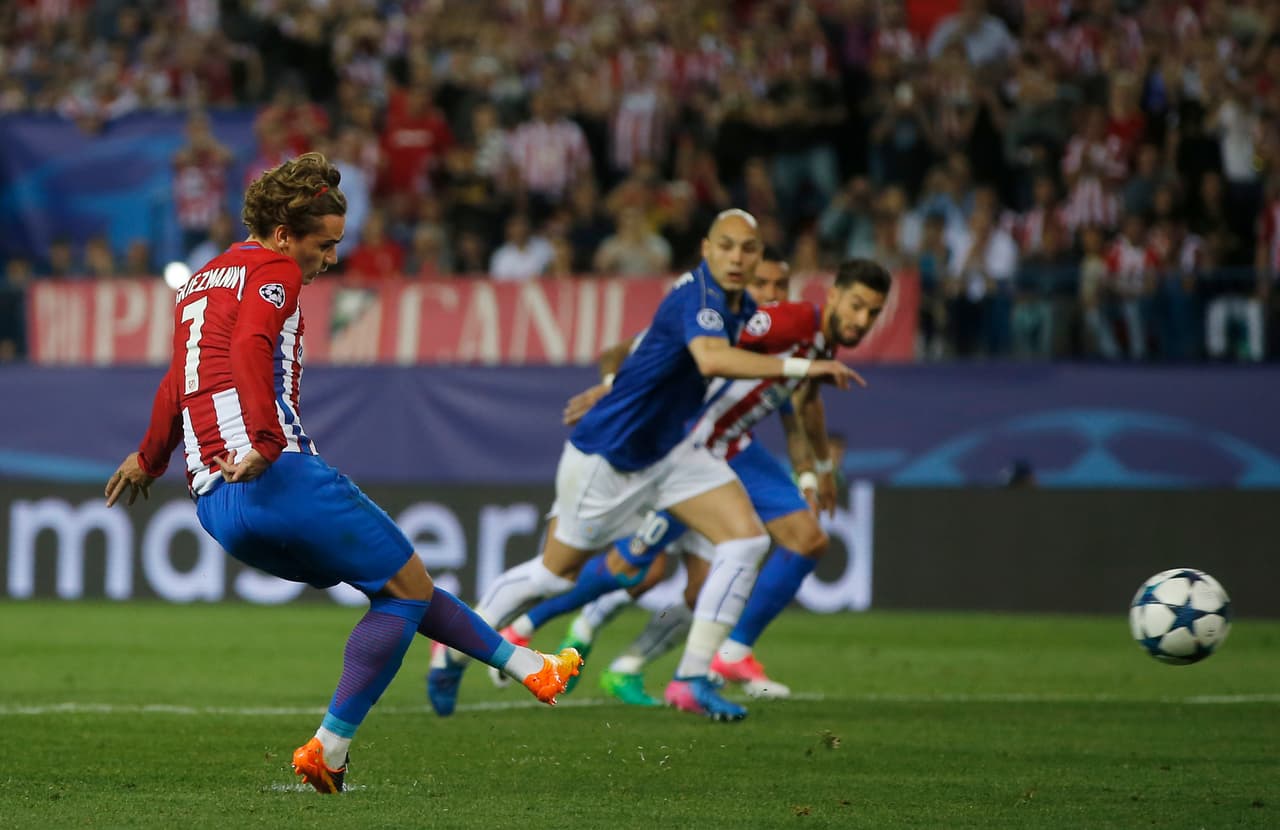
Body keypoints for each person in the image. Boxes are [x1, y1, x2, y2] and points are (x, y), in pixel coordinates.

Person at [103, 153, 581, 795]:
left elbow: (177, 378)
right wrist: (268, 443)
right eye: (323, 245)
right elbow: (249, 347)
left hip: (217, 505)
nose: (329, 259)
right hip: (274, 474)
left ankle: (531, 668)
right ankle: (329, 748)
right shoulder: (274, 269)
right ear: (282, 235)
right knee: (405, 592)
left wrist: (148, 456)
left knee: (398, 584)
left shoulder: (204, 278)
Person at [427, 212, 863, 721]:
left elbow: (661, 356)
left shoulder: (744, 307)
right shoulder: (698, 298)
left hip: (674, 453)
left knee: (746, 540)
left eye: (749, 249)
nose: (738, 259)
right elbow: (711, 360)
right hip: (610, 456)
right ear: (706, 249)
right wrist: (808, 366)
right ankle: (451, 649)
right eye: (728, 247)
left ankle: (692, 678)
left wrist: (814, 463)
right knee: (555, 574)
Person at [519, 256, 890, 706]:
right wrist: (618, 391)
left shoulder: (808, 343)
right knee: (634, 567)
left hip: (731, 452)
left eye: (871, 313)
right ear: (831, 295)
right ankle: (529, 627)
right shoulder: (759, 322)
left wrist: (817, 472)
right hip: (688, 445)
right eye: (856, 306)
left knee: (737, 570)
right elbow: (661, 354)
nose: (861, 320)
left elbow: (803, 405)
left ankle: (660, 662)